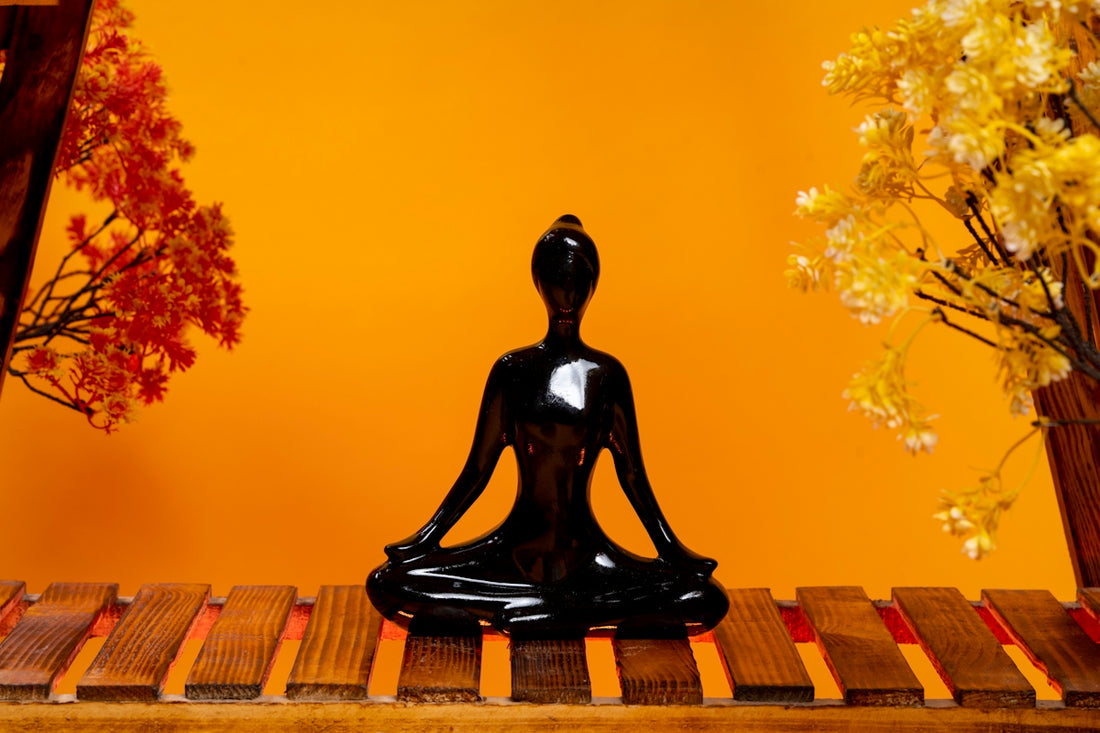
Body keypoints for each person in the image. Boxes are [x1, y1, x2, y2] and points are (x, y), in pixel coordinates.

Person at [367, 215, 728, 637]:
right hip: (509, 556)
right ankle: (551, 610)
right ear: (538, 281)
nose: (569, 289)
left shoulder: (605, 375)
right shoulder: (514, 369)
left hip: (589, 562)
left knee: (703, 597)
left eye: (581, 277)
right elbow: (476, 472)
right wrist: (424, 541)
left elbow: (633, 477)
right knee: (388, 583)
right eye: (557, 275)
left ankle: (552, 612)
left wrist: (673, 551)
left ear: (595, 285)